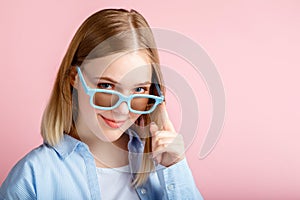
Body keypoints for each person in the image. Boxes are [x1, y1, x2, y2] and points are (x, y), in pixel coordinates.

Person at [0, 8, 203, 200]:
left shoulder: (164, 167)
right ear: (74, 77)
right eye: (106, 86)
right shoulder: (33, 177)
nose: (121, 110)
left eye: (139, 90)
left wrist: (176, 168)